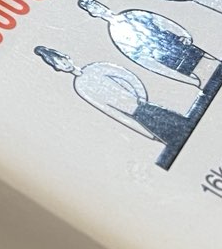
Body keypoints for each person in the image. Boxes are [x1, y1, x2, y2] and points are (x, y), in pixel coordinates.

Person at [34, 47, 197, 165]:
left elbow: (127, 77)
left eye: (62, 61)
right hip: (136, 117)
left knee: (185, 126)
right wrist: (145, 133)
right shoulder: (80, 87)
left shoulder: (95, 68)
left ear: (67, 58)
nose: (64, 65)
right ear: (58, 69)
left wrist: (141, 96)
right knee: (173, 140)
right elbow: (109, 111)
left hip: (145, 106)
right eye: (59, 65)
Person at [77, 0, 217, 87]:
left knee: (214, 64)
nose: (97, 8)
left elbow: (160, 21)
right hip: (169, 61)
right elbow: (144, 60)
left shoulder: (132, 14)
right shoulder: (117, 35)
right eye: (92, 8)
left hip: (180, 45)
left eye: (95, 4)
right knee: (207, 81)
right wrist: (186, 80)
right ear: (93, 14)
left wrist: (183, 34)